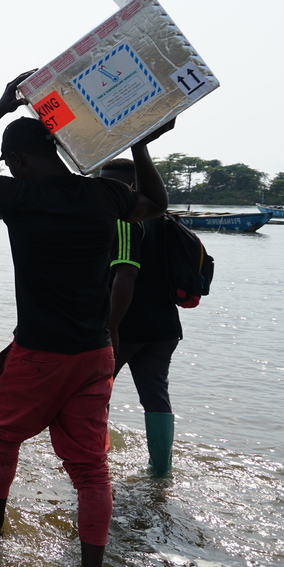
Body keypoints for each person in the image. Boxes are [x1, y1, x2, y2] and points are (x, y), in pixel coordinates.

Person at [0, 71, 172, 567]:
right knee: (90, 470)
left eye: (10, 163)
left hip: (39, 354)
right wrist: (142, 145)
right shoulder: (105, 195)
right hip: (94, 355)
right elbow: (157, 203)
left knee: (3, 439)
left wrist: (0, 106)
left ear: (17, 161)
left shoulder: (18, 197)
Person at [101, 156, 181, 478]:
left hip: (128, 326)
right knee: (156, 395)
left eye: (111, 184)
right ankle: (161, 470)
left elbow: (125, 276)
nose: (105, 190)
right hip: (165, 327)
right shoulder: (165, 219)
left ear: (131, 186)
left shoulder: (125, 219)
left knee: (96, 392)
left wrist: (112, 327)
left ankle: (95, 463)